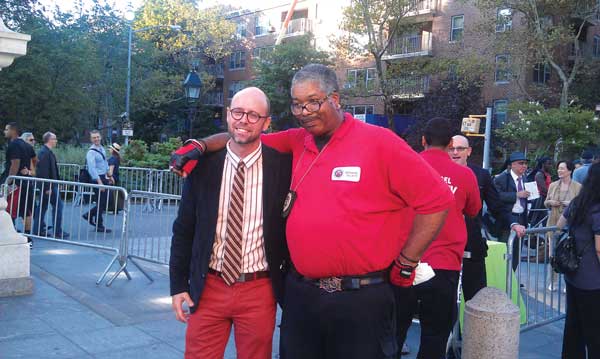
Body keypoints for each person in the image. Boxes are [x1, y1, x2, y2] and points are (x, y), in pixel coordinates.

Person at [170, 64, 454, 359]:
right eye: (297, 104)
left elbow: (437, 202)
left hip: (361, 300)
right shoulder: (296, 141)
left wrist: (406, 262)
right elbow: (243, 136)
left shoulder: (379, 142)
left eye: (314, 101)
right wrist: (198, 146)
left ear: (335, 99)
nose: (305, 111)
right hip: (303, 298)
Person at [170, 87, 292, 358]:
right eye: (238, 112)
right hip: (209, 285)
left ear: (266, 122)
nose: (243, 120)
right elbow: (183, 229)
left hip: (259, 289)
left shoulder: (283, 168)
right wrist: (178, 286)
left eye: (253, 115)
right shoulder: (202, 166)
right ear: (228, 115)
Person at [395, 119, 481, 358]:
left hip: (403, 262)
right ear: (451, 143)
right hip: (444, 265)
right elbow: (474, 210)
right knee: (435, 335)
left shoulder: (405, 168)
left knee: (394, 332)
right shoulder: (464, 175)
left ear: (423, 140)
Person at [449, 135, 526, 301]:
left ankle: (473, 327)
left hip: (472, 241)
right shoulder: (437, 171)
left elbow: (496, 206)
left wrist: (513, 223)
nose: (455, 152)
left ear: (468, 151)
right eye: (451, 148)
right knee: (443, 296)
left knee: (475, 295)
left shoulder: (481, 175)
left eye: (460, 148)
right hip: (443, 243)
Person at [555, 162, 600, 358]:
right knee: (594, 331)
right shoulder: (598, 210)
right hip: (593, 279)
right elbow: (599, 248)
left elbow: (559, 224)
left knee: (573, 326)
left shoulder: (578, 202)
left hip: (573, 274)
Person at [544, 160, 581, 291]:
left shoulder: (578, 187)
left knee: (569, 254)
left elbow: (581, 205)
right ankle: (552, 282)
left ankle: (568, 282)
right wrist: (550, 202)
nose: (559, 171)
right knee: (552, 254)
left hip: (570, 226)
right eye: (558, 168)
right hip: (553, 224)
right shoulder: (553, 185)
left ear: (570, 171)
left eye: (562, 168)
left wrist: (570, 204)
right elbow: (545, 202)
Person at [494, 152, 530, 271]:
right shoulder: (501, 178)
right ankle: (502, 279)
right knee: (505, 252)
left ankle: (511, 281)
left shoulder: (525, 178)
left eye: (525, 163)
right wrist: (516, 195)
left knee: (516, 253)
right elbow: (495, 197)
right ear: (512, 165)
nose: (524, 166)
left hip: (522, 218)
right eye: (521, 163)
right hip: (507, 219)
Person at [1, 122, 36, 244]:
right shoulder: (27, 146)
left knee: (8, 208)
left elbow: (15, 163)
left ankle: (10, 234)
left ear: (13, 131)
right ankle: (27, 238)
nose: (4, 132)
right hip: (25, 182)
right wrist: (30, 172)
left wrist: (8, 181)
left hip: (16, 183)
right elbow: (35, 160)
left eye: (6, 130)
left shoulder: (14, 145)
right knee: (26, 210)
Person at [33, 132, 70, 239]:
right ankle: (57, 232)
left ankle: (38, 230)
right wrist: (48, 187)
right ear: (49, 140)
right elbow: (43, 172)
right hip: (48, 186)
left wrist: (57, 183)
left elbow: (52, 170)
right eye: (54, 139)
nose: (56, 141)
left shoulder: (46, 152)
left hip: (49, 185)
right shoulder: (44, 153)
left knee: (42, 207)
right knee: (58, 206)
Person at [82, 130, 111, 233]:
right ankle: (99, 224)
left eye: (97, 137)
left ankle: (89, 215)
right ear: (91, 139)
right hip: (97, 179)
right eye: (94, 137)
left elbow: (105, 162)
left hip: (103, 177)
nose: (96, 139)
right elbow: (92, 168)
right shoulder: (91, 152)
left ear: (100, 137)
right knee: (101, 202)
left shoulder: (101, 148)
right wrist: (100, 183)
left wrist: (108, 175)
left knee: (104, 202)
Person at [529, 157, 552, 227]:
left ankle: (546, 235)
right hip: (540, 199)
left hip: (545, 198)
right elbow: (544, 189)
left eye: (551, 164)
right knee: (535, 218)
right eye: (549, 164)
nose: (550, 166)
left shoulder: (546, 174)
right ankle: (530, 234)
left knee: (545, 218)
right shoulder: (539, 174)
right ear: (543, 164)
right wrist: (552, 194)